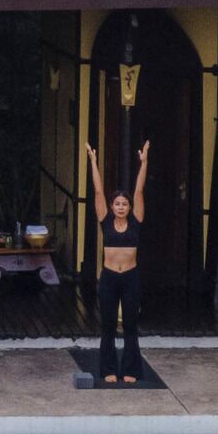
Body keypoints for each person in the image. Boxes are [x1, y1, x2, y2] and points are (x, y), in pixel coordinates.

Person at [81, 138, 150, 386]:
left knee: (131, 325)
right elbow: (98, 191)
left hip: (130, 277)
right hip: (109, 277)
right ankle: (108, 368)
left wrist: (144, 162)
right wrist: (93, 161)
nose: (121, 207)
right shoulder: (105, 221)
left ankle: (131, 369)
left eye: (125, 204)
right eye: (117, 204)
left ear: (130, 207)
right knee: (108, 325)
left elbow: (139, 190)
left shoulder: (135, 221)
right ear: (112, 207)